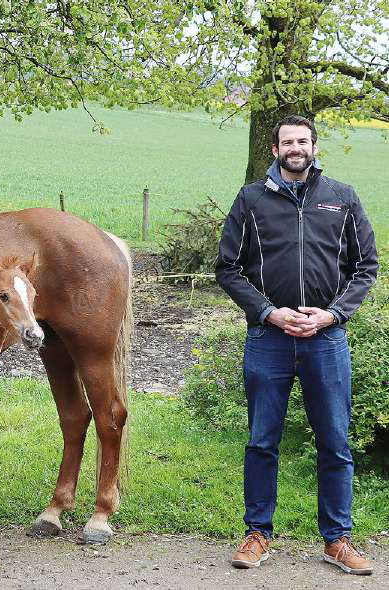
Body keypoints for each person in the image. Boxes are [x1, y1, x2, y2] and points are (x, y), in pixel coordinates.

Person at [216, 115, 378, 575]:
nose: (295, 148)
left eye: (302, 141)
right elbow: (227, 268)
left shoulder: (342, 198)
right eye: (287, 142)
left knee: (334, 441)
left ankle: (338, 540)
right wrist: (270, 312)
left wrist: (332, 314)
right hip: (269, 338)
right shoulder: (251, 200)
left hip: (326, 339)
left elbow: (366, 266)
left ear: (313, 147)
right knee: (262, 441)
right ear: (274, 150)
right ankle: (257, 534)